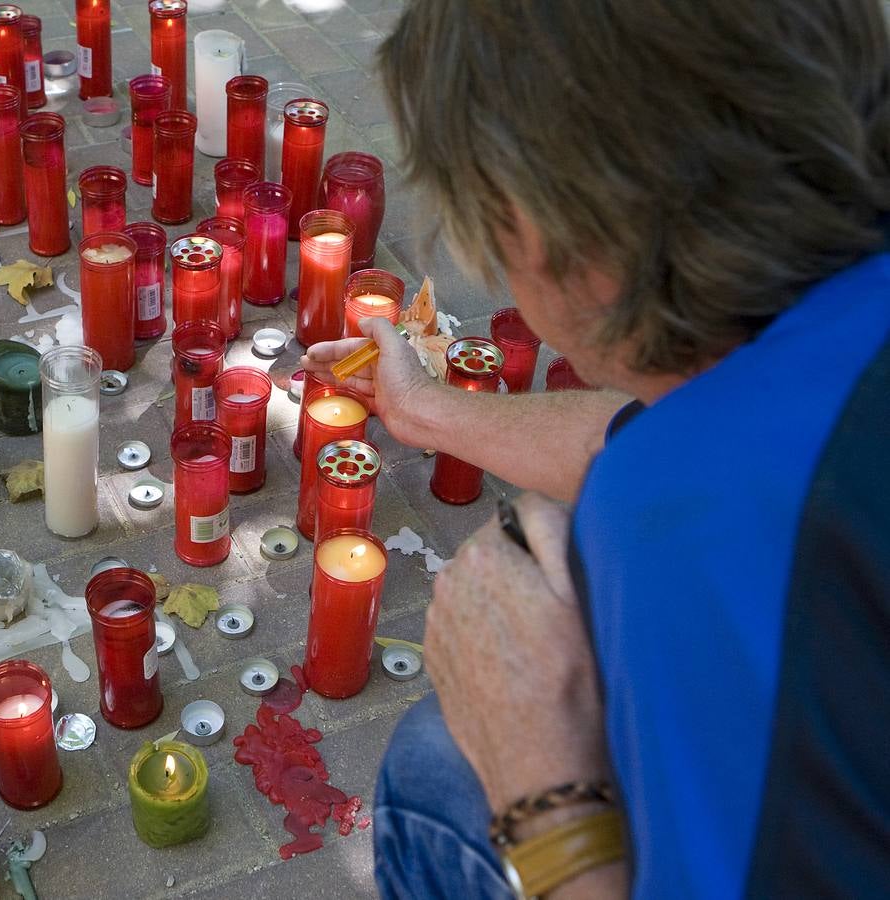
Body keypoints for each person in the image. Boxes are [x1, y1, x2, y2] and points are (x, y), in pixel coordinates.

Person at [303, 1, 890, 897]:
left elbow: (686, 473)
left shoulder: (692, 527)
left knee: (436, 773)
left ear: (533, 232)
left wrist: (540, 781)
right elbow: (666, 432)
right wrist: (420, 409)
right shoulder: (821, 345)